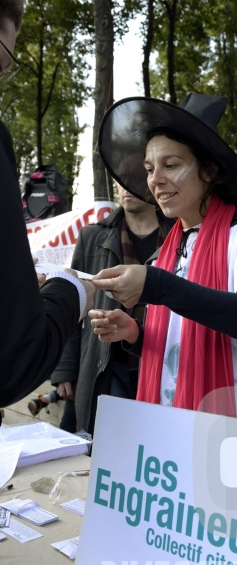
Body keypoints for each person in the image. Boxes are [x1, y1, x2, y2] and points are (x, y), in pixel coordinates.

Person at [90, 94, 237, 428]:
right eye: (150, 169)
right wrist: (135, 333)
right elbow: (180, 342)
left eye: (171, 165)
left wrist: (157, 285)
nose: (154, 180)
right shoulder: (167, 250)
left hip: (233, 435)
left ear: (208, 170)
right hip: (171, 429)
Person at [0, 0, 95, 409]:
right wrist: (74, 290)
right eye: (6, 52)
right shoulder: (94, 234)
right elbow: (13, 358)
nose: (5, 70)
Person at [50, 183, 174, 434]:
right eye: (119, 179)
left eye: (132, 178)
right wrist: (66, 369)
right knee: (99, 453)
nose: (125, 186)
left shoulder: (181, 235)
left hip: (163, 366)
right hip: (105, 364)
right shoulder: (92, 236)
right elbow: (75, 304)